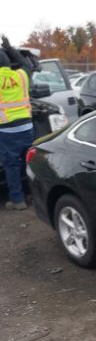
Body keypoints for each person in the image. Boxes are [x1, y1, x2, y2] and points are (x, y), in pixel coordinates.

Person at [0, 35, 34, 210]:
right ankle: (33, 194)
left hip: (7, 131)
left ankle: (18, 200)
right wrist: (10, 48)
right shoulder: (21, 76)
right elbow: (27, 64)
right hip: (27, 127)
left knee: (12, 165)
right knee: (28, 161)